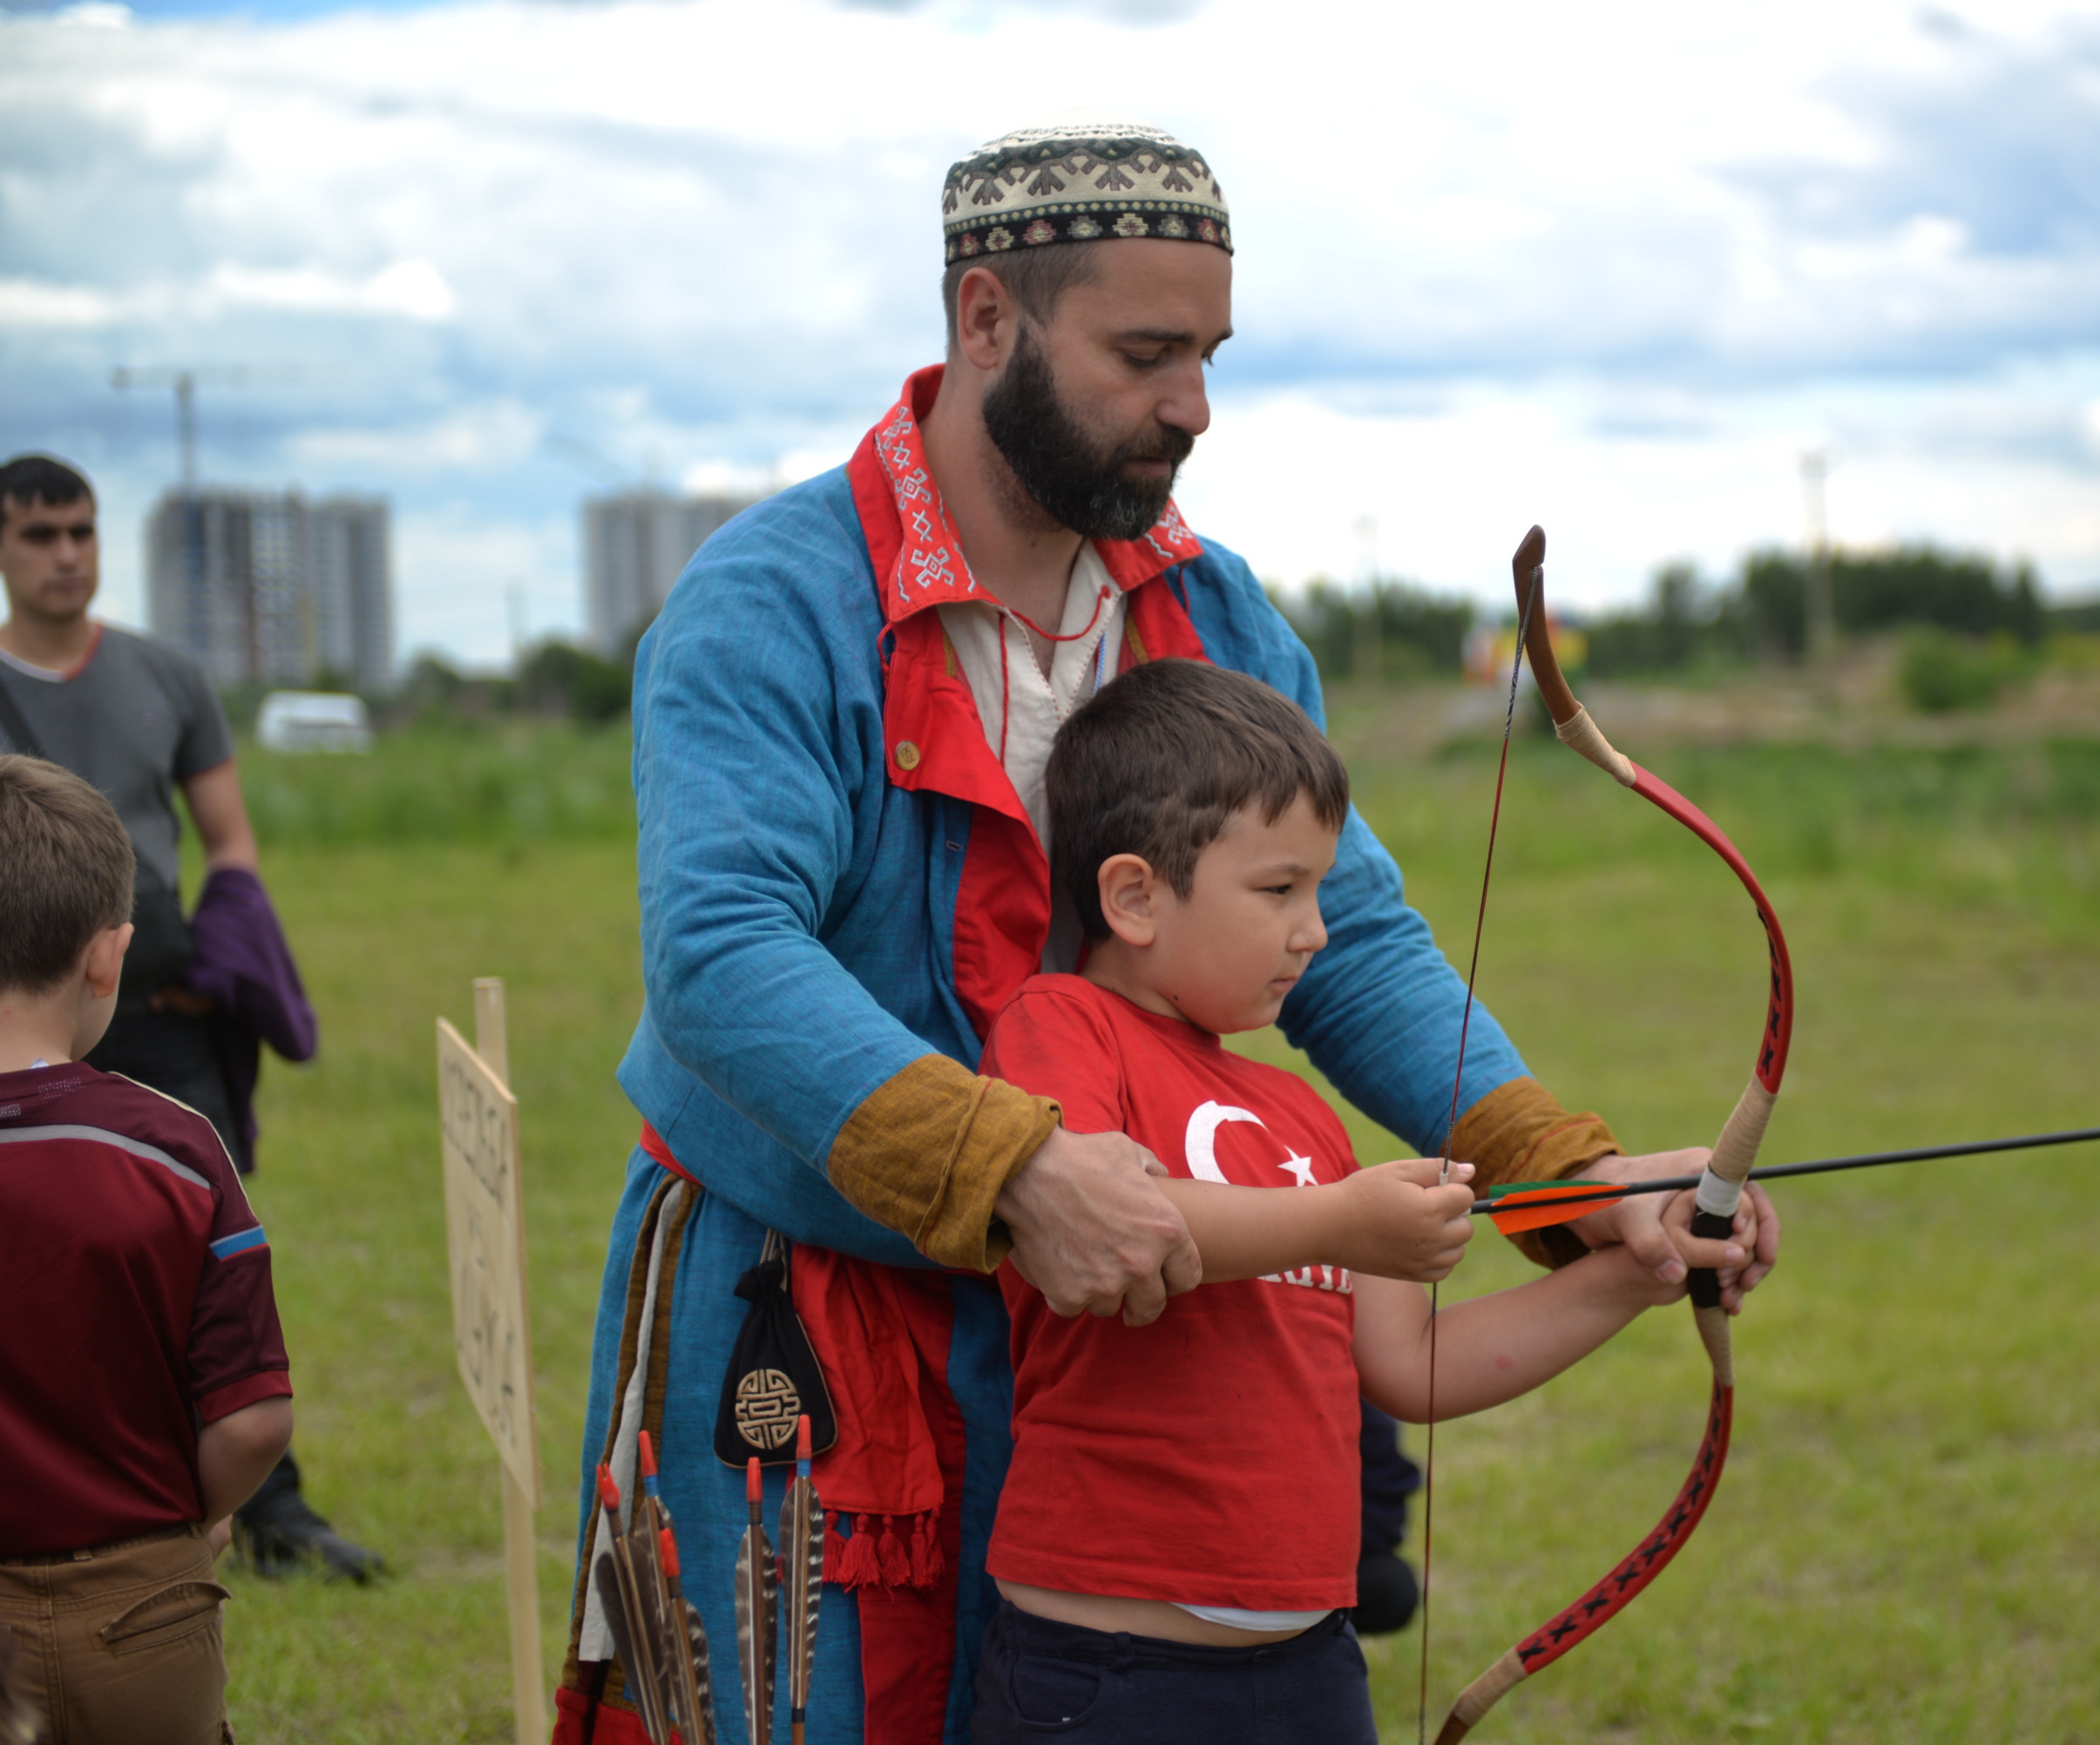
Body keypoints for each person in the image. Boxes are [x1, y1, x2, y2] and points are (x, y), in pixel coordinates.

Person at [559, 112, 1778, 1745]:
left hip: (1119, 1343)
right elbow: (721, 952)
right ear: (986, 320)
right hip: (808, 1311)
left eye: (1207, 353)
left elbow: (1347, 931)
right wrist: (1011, 1167)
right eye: (1144, 354)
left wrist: (1570, 1174)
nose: (1191, 406)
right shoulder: (774, 597)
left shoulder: (1217, 612)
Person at [967, 660, 1746, 1743]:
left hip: (1310, 1664)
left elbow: (1410, 1367)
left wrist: (1641, 1265)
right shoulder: (1063, 1028)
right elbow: (1117, 1216)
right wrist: (1341, 1220)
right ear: (1134, 896)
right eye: (1279, 890)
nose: (1316, 930)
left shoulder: (1301, 1116)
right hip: (1107, 1671)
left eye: (1320, 891)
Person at [0, 453, 380, 1582]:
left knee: (209, 1248)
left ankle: (276, 1512)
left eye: (80, 529)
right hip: (18, 1009)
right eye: (37, 533)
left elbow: (229, 841)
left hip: (156, 1009)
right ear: (5, 548)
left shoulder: (167, 673)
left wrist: (225, 949)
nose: (66, 552)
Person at [0, 754, 295, 1744]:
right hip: (147, 1608)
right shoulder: (177, 1148)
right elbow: (255, 1421)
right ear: (108, 956)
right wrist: (177, 1519)